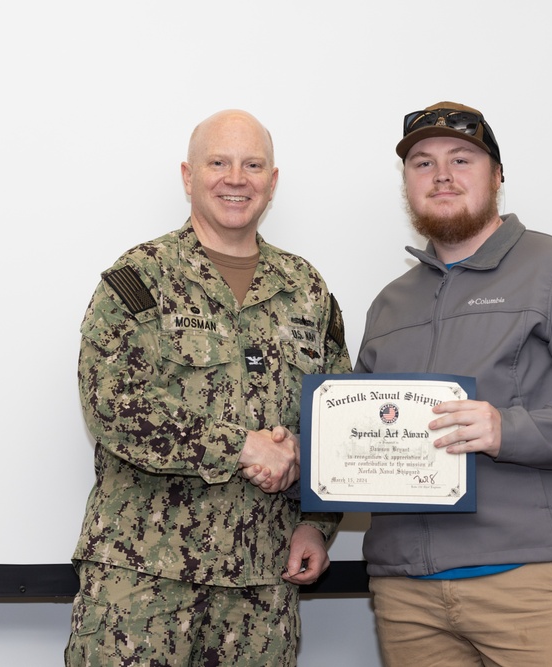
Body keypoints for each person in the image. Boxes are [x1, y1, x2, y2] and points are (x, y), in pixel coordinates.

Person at [355, 101, 552, 667]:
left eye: (461, 158)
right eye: (422, 163)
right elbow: (362, 434)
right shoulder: (390, 303)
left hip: (530, 587)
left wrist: (505, 428)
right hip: (406, 594)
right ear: (407, 185)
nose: (441, 175)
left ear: (497, 175)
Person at [64, 109, 351, 666]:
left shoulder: (307, 290)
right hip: (143, 581)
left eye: (252, 165)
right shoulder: (141, 277)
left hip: (261, 587)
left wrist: (316, 523)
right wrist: (242, 445)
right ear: (188, 175)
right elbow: (112, 404)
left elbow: (338, 415)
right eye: (218, 162)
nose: (236, 178)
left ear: (272, 181)